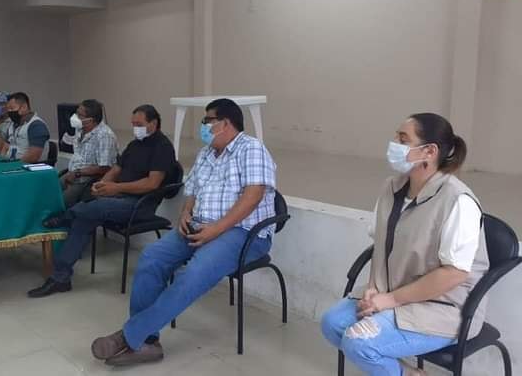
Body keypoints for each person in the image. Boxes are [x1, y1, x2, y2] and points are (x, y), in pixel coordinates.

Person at [90, 98, 277, 366]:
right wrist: (185, 213)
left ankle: (130, 336)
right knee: (151, 258)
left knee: (192, 273)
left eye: (207, 121)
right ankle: (148, 342)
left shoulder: (252, 149)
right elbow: (192, 191)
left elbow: (253, 196)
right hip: (199, 225)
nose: (203, 126)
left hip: (242, 232)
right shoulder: (206, 154)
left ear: (225, 123)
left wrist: (216, 230)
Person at [319, 113, 488, 376]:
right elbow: (380, 244)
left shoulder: (458, 200)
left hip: (442, 307)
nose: (394, 145)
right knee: (331, 323)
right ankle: (409, 373)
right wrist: (374, 288)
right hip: (394, 291)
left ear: (429, 151)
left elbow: (454, 273)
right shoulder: (392, 188)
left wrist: (389, 300)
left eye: (403, 139)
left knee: (359, 342)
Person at [27, 104, 176, 298]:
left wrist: (116, 188)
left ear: (153, 124)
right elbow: (116, 169)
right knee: (84, 218)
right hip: (119, 196)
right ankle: (60, 278)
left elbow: (152, 183)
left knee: (92, 207)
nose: (135, 128)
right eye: (133, 124)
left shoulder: (162, 147)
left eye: (139, 124)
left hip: (140, 204)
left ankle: (65, 216)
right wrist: (103, 184)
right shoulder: (135, 145)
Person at [60, 99, 118, 208]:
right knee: (49, 192)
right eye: (76, 113)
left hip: (88, 178)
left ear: (90, 120)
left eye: (79, 115)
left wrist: (77, 173)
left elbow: (104, 167)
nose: (75, 117)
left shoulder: (105, 136)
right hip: (73, 173)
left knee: (61, 203)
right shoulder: (80, 129)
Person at [0, 92, 50, 163]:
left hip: (27, 166)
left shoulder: (36, 125)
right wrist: (1, 161)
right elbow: (5, 147)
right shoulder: (13, 124)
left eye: (12, 108)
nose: (9, 112)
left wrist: (14, 165)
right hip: (10, 164)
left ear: (24, 107)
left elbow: (33, 156)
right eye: (8, 109)